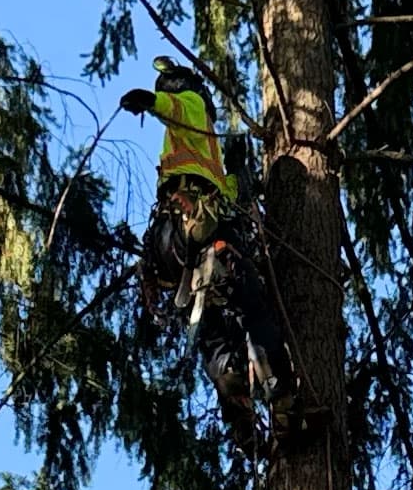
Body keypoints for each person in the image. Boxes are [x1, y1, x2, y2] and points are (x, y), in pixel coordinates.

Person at [122, 70, 302, 433]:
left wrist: (238, 178)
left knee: (215, 326)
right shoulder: (193, 109)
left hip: (172, 247)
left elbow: (228, 194)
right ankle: (283, 400)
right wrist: (151, 101)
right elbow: (175, 107)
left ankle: (239, 412)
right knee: (253, 308)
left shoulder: (200, 154)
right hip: (195, 233)